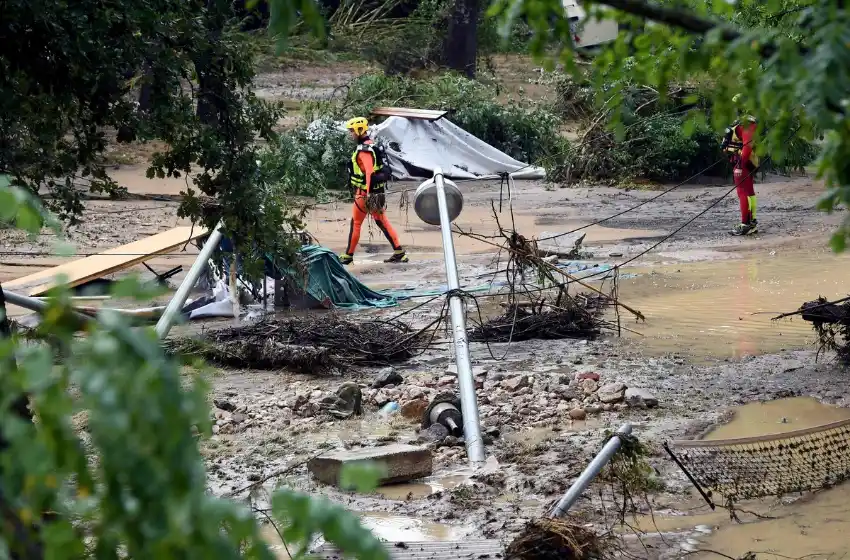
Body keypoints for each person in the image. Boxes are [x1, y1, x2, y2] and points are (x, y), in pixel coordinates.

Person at [338, 117, 408, 265]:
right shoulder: (372, 146)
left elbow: (369, 172)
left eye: (352, 131)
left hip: (365, 194)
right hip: (377, 192)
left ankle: (348, 255)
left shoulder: (364, 151)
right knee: (382, 221)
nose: (351, 134)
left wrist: (368, 193)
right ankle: (399, 251)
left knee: (356, 223)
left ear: (359, 130)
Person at [721, 94, 760, 236]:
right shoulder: (746, 122)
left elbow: (747, 146)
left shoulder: (746, 124)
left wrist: (739, 165)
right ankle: (752, 223)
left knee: (742, 192)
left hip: (742, 162)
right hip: (745, 161)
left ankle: (745, 224)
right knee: (749, 191)